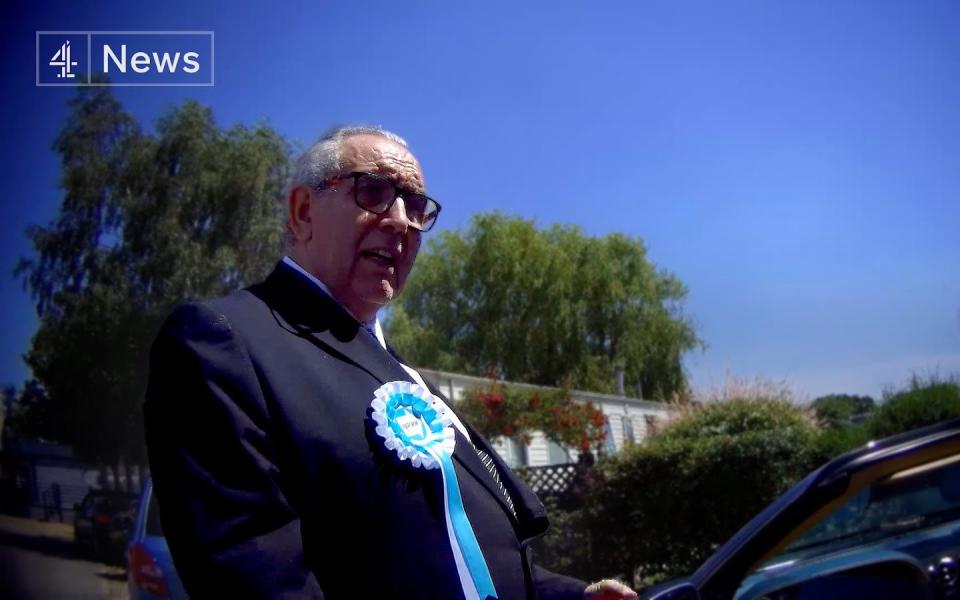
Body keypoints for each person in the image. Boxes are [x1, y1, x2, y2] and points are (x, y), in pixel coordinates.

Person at [144, 126, 637, 600]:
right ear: (302, 212)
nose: (402, 220)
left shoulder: (405, 377)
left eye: (416, 205)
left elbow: (460, 559)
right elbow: (254, 575)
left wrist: (567, 595)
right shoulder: (224, 341)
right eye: (373, 192)